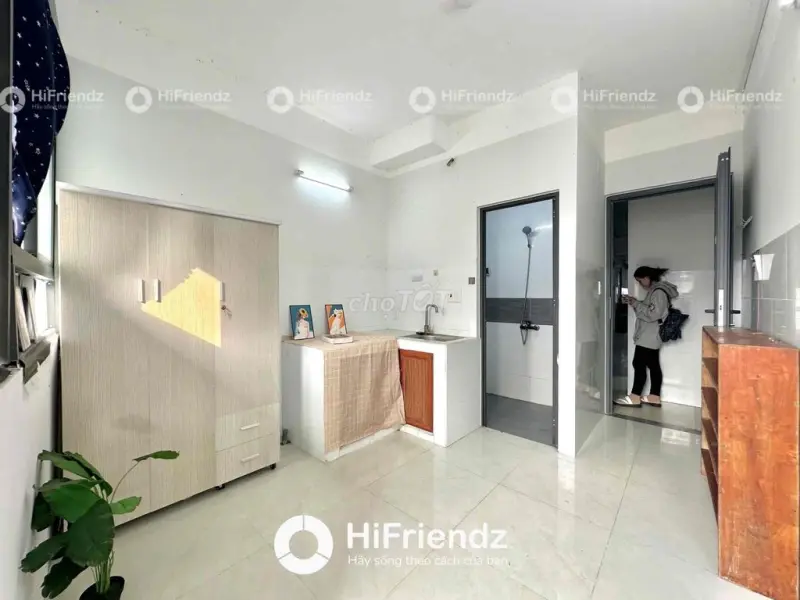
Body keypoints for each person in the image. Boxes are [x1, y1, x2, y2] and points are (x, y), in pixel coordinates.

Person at [614, 266, 678, 408]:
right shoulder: (656, 291)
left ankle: (635, 396)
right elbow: (651, 309)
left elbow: (653, 314)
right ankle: (654, 397)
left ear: (647, 278)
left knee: (639, 364)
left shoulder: (658, 292)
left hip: (649, 335)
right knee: (653, 365)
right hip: (651, 334)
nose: (640, 284)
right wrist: (635, 302)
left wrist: (636, 303)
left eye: (640, 280)